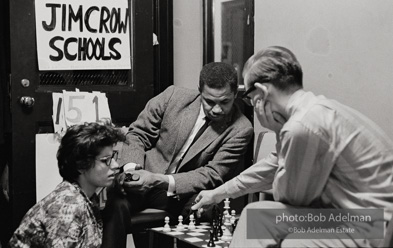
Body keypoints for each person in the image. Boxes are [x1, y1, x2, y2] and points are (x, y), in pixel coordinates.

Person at [191, 46, 393, 247]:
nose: (252, 104)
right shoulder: (312, 111)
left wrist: (276, 131)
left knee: (278, 232)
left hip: (370, 224)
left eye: (250, 98)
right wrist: (218, 193)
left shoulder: (302, 126)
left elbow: (291, 200)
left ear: (261, 92)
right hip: (359, 217)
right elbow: (271, 166)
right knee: (257, 217)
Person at [102, 62, 253, 248]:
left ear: (235, 95)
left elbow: (212, 174)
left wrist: (158, 179)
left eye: (225, 102)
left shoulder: (241, 129)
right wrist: (132, 170)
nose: (217, 109)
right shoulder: (172, 96)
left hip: (181, 193)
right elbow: (138, 134)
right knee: (114, 199)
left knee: (206, 210)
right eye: (210, 101)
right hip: (142, 178)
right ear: (199, 92)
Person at [8, 122, 126, 248]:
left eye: (113, 157)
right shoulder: (68, 206)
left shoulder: (87, 197)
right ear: (81, 165)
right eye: (105, 160)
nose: (115, 165)